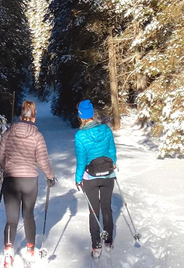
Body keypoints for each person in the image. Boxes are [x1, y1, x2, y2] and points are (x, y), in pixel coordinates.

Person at [0, 100, 56, 267]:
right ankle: (31, 249)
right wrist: (50, 176)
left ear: (21, 115)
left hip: (11, 180)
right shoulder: (37, 136)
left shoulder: (8, 132)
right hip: (30, 180)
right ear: (34, 116)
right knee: (28, 215)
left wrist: (6, 168)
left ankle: (8, 251)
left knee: (11, 219)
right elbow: (43, 161)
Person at [74, 99, 117, 259]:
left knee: (94, 210)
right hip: (108, 175)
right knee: (107, 207)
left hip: (90, 177)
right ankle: (109, 241)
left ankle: (96, 245)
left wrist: (78, 179)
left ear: (81, 116)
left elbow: (81, 160)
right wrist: (112, 164)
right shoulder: (106, 129)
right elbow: (112, 152)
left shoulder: (80, 135)